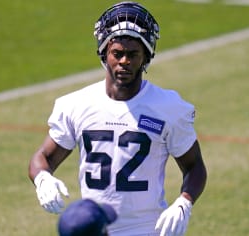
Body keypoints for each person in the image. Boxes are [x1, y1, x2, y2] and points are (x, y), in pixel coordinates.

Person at [28, 1, 207, 235]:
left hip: (147, 229)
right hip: (93, 227)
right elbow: (44, 157)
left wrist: (185, 201)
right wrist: (42, 178)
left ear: (146, 56)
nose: (125, 61)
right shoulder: (76, 104)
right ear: (104, 53)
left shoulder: (168, 107)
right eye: (118, 53)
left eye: (133, 54)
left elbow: (194, 166)